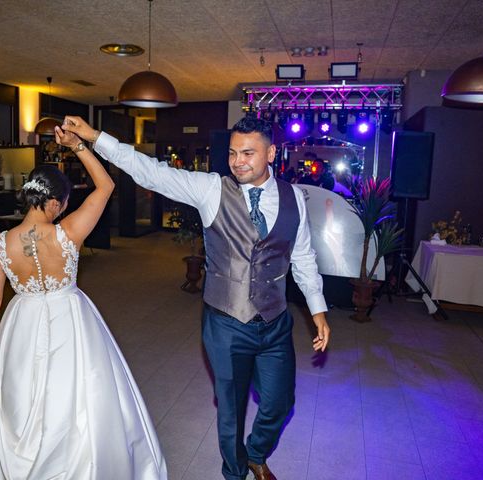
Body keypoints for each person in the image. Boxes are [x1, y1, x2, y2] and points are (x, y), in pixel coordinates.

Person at [61, 115, 330, 480]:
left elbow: (302, 256)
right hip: (225, 324)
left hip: (275, 322)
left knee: (280, 403)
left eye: (248, 153)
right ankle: (234, 472)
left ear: (271, 153)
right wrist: (94, 137)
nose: (238, 161)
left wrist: (318, 310)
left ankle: (256, 453)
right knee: (231, 410)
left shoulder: (294, 197)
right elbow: (149, 171)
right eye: (234, 153)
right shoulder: (210, 189)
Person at [0, 126, 167, 480]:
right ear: (55, 204)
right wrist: (78, 146)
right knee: (77, 393)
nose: (65, 207)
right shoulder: (70, 232)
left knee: (23, 392)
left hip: (24, 319)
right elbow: (106, 186)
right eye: (64, 203)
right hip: (70, 317)